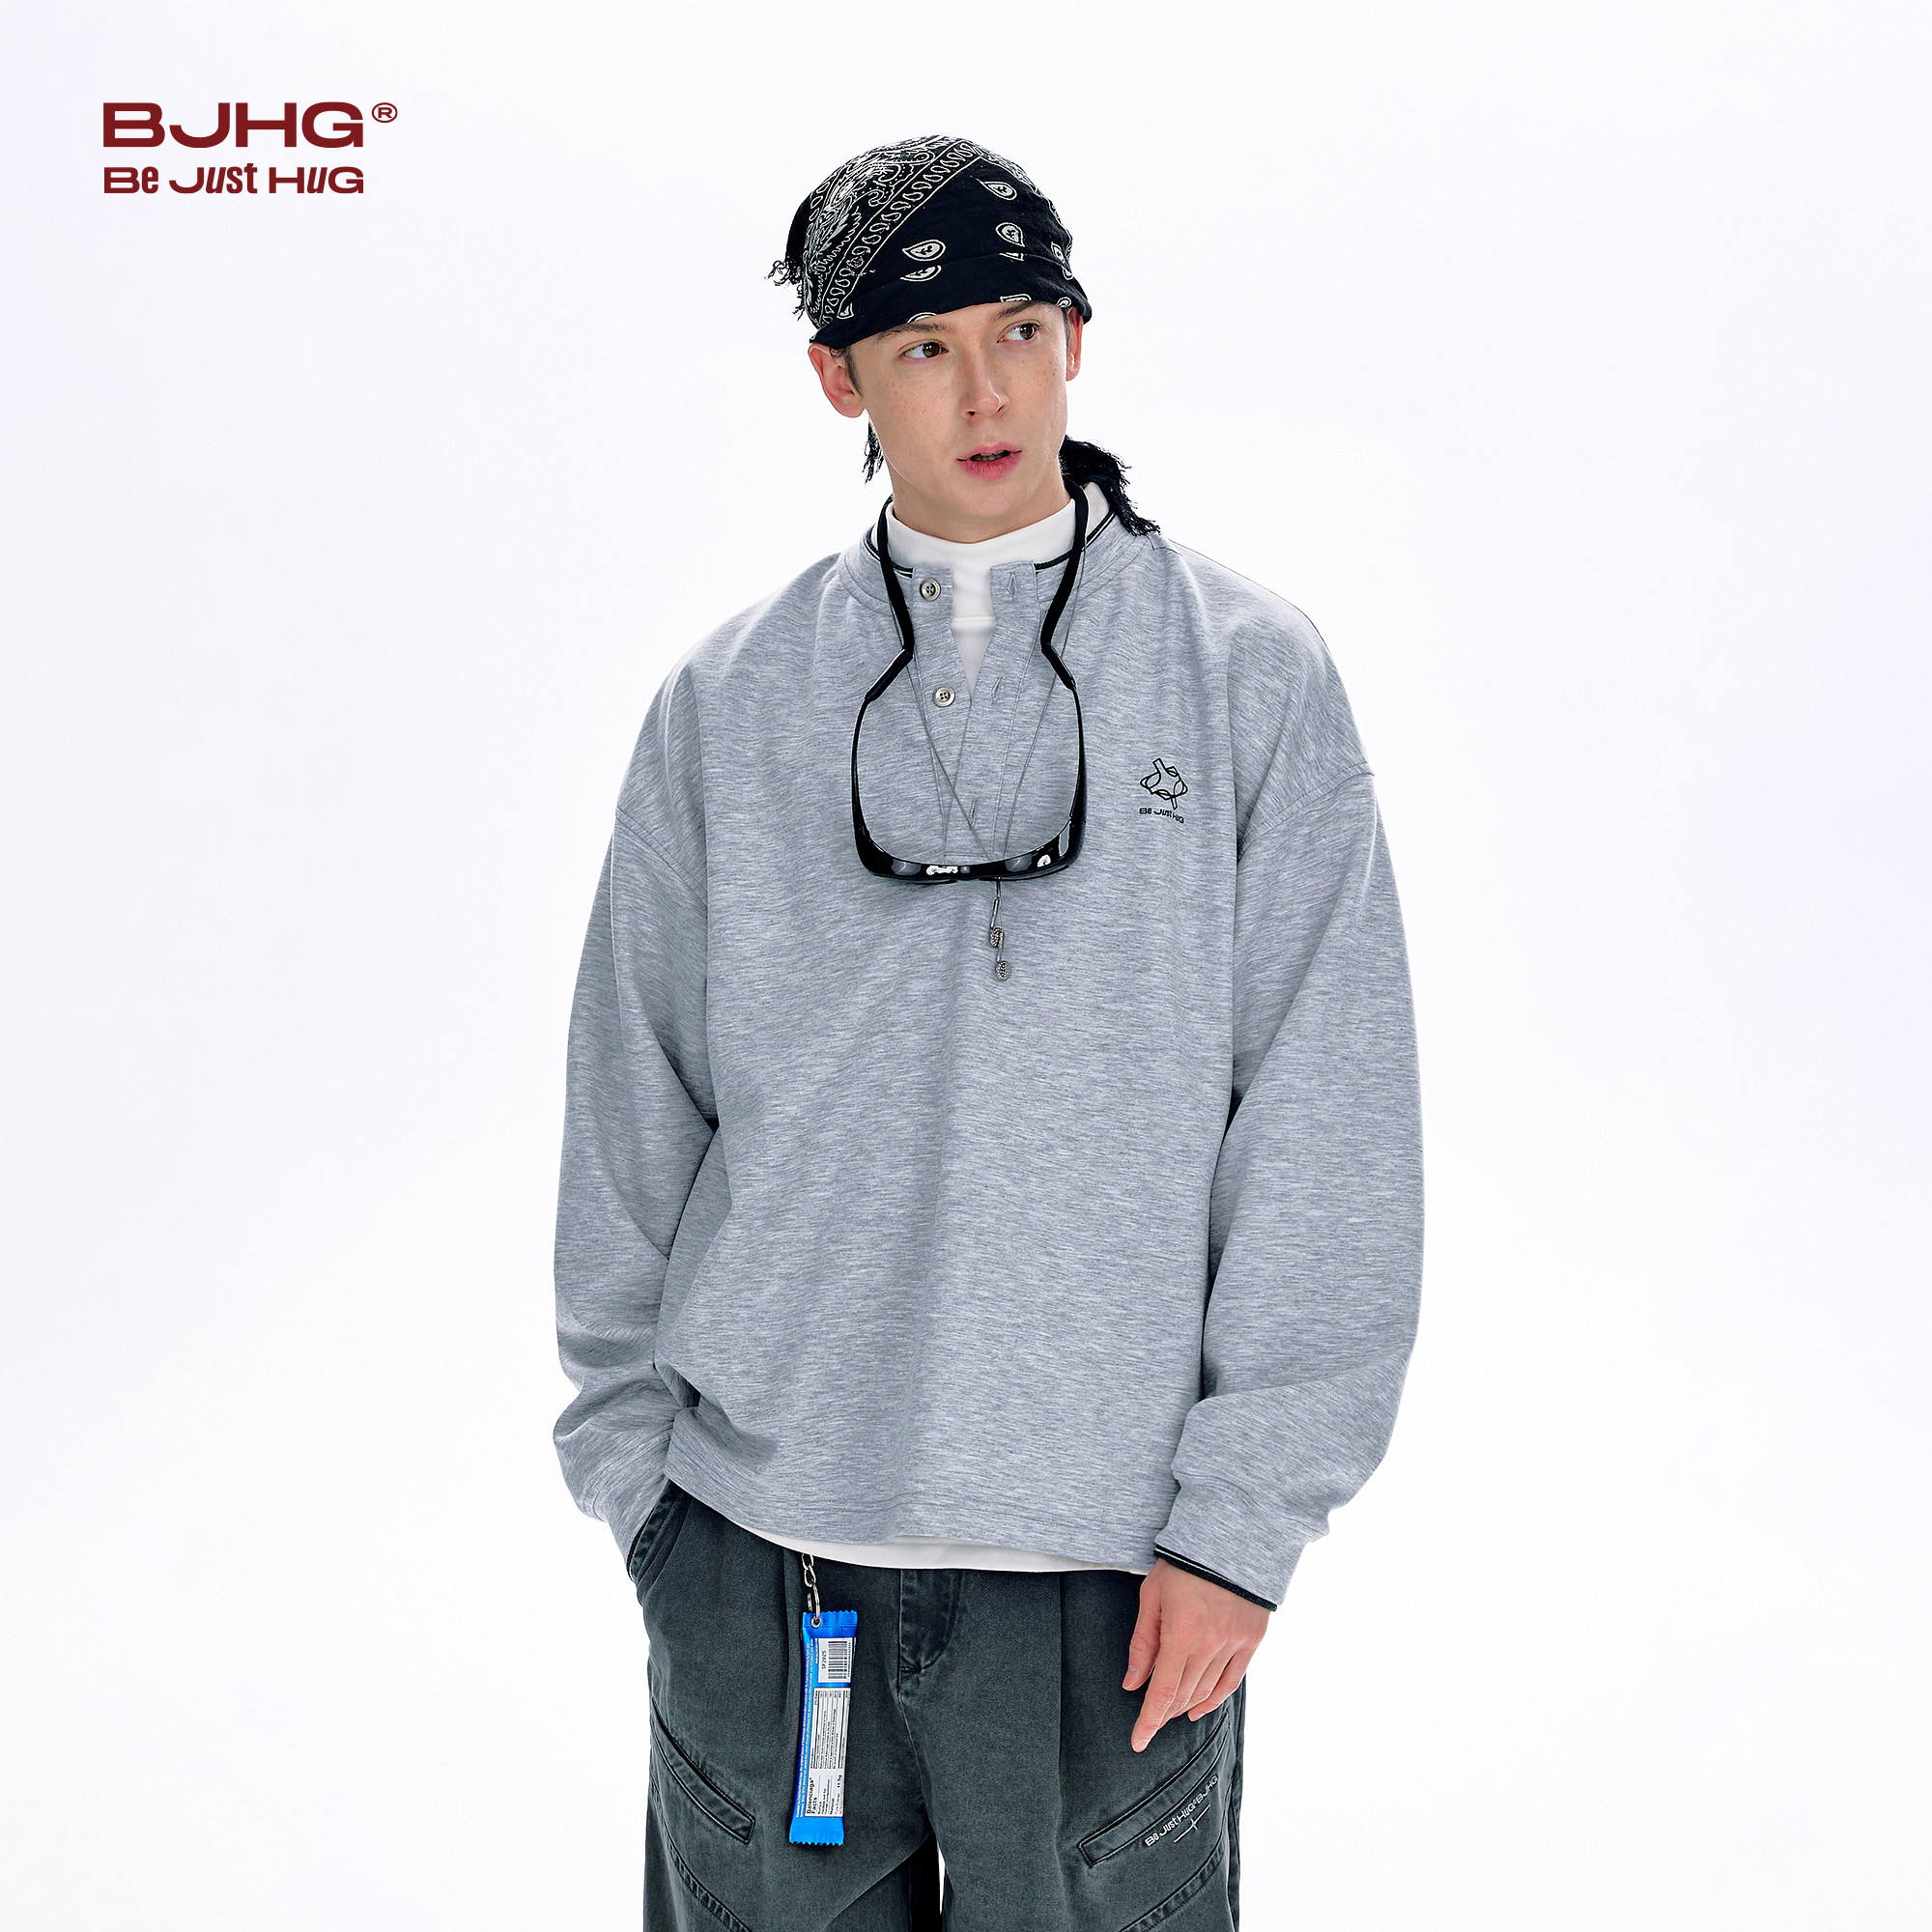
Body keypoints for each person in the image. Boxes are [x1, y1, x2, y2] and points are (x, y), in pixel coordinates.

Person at [553, 132, 1424, 1932]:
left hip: (1113, 1584)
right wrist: (645, 1495)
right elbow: (632, 1105)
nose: (987, 392)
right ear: (841, 379)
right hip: (765, 1562)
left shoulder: (1247, 676)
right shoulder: (727, 703)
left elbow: (1326, 1118)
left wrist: (1241, 1525)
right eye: (926, 348)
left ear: (1076, 340)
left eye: (1022, 330)